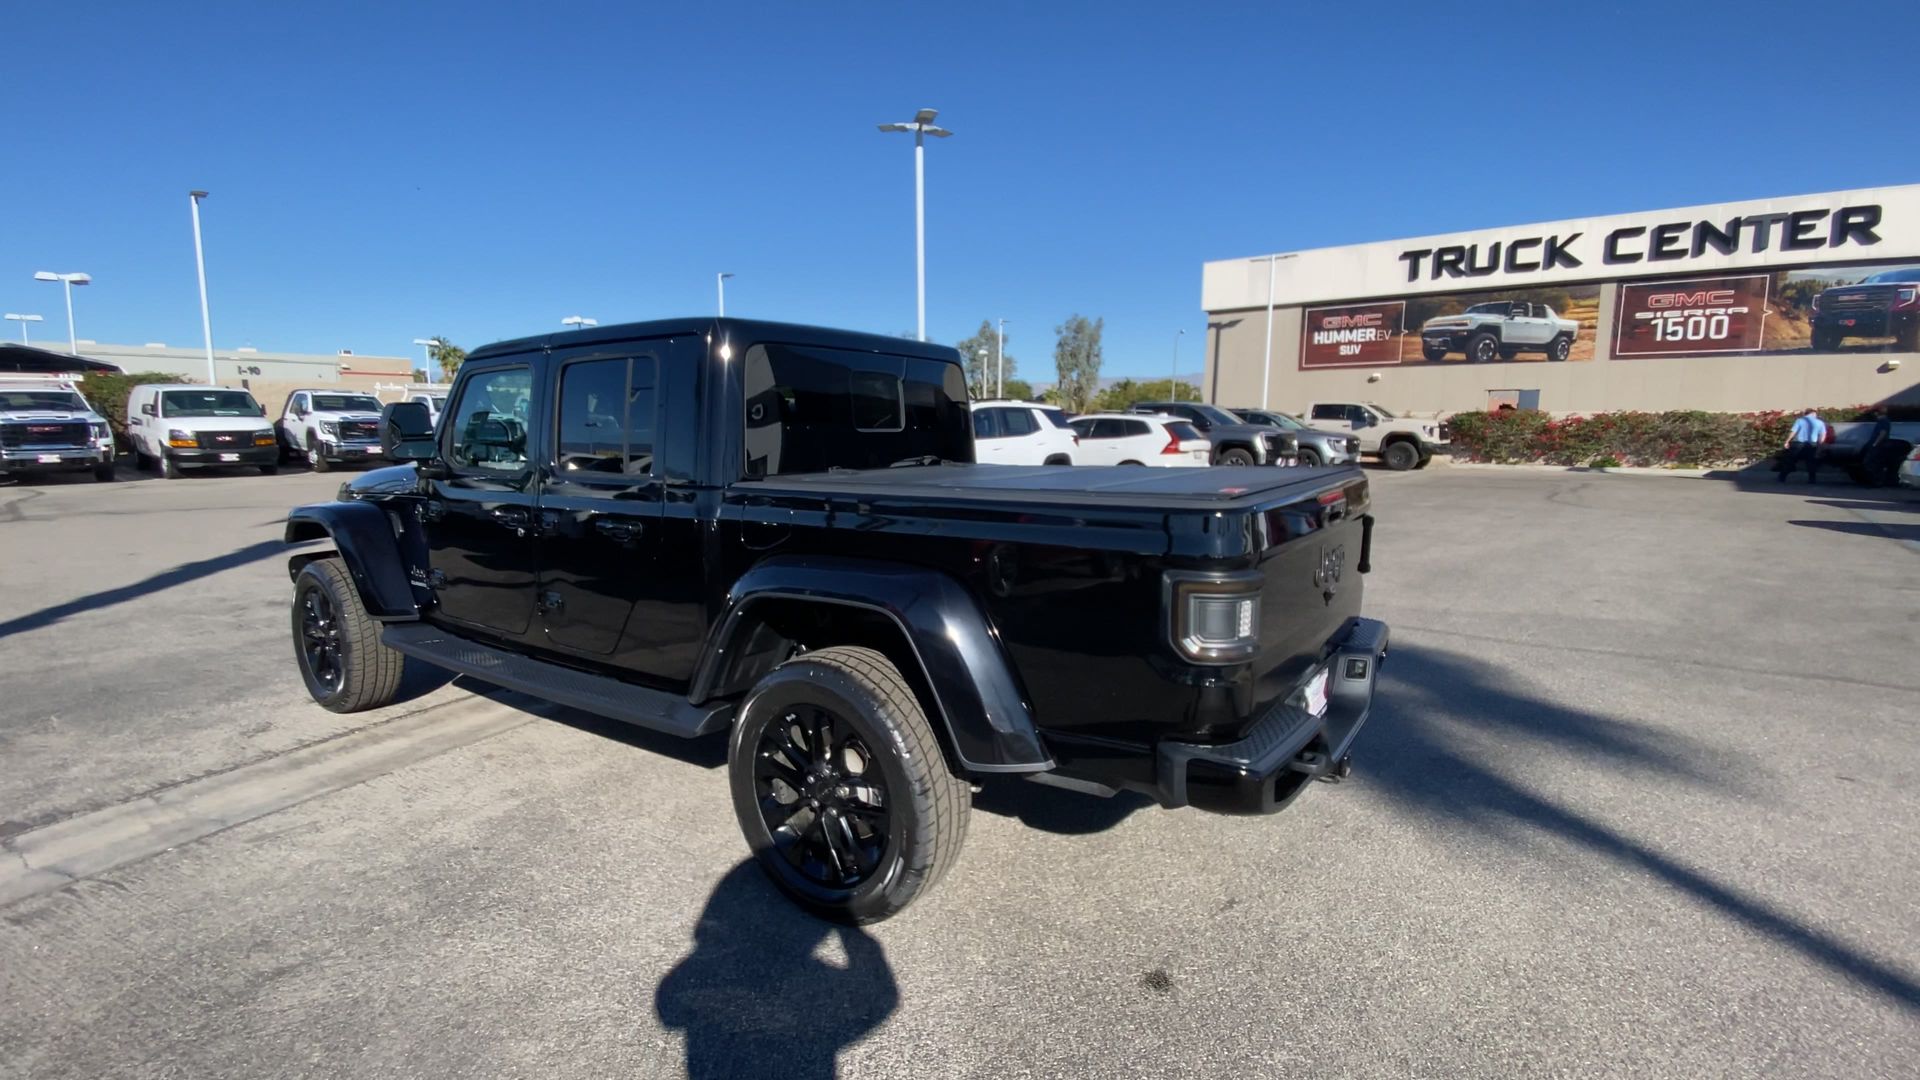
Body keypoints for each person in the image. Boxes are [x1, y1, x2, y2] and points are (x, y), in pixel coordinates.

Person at [1775, 407, 1826, 483]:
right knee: (1811, 462)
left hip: (1798, 443)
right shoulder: (1820, 422)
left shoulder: (1800, 420)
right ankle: (1812, 480)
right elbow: (1823, 435)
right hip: (1812, 444)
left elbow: (1793, 431)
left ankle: (1782, 477)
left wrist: (1787, 441)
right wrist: (1820, 445)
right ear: (1813, 413)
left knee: (1791, 460)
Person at [1860, 407, 1896, 486]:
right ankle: (1875, 480)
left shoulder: (1884, 421)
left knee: (1872, 463)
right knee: (1873, 463)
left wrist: (1875, 443)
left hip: (1878, 445)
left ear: (1877, 413)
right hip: (1877, 445)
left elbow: (1882, 433)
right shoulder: (1882, 421)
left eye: (1875, 413)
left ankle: (1876, 481)